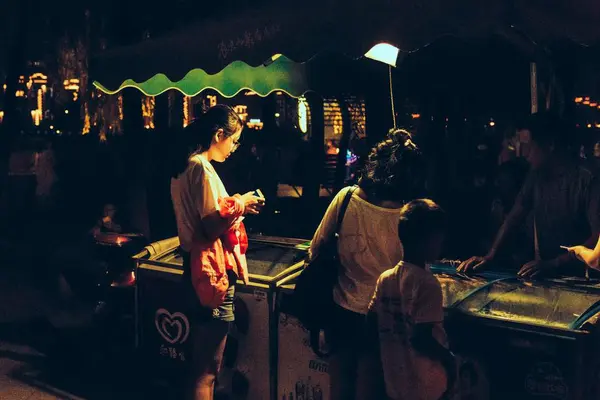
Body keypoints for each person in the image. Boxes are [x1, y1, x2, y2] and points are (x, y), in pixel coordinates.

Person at [309, 128, 426, 400]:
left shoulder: (347, 198)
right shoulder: (410, 215)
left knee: (339, 390)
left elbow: (316, 248)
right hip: (385, 319)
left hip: (341, 311)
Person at [170, 105, 264, 400]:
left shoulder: (185, 165)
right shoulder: (201, 168)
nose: (234, 148)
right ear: (218, 134)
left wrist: (235, 204)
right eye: (233, 140)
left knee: (198, 363)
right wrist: (242, 205)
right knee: (208, 369)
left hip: (194, 268)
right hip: (212, 271)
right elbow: (211, 226)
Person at [459, 112, 600, 278]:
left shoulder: (588, 178)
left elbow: (597, 237)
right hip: (550, 277)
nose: (522, 153)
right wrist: (490, 255)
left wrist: (555, 263)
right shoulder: (536, 175)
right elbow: (513, 217)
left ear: (550, 144)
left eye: (527, 146)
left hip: (587, 279)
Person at [367, 199, 455, 400]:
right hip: (428, 386)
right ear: (426, 240)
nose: (441, 244)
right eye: (438, 239)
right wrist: (449, 361)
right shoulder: (427, 284)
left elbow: (371, 323)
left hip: (395, 383)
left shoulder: (385, 278)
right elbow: (420, 338)